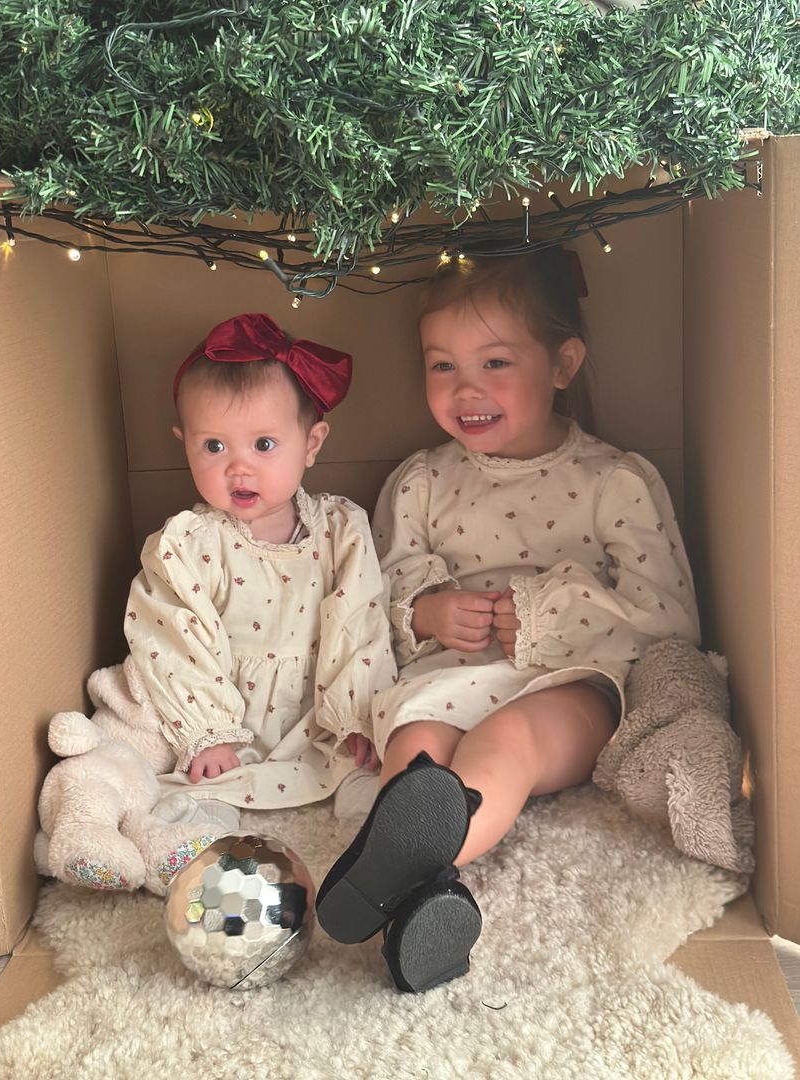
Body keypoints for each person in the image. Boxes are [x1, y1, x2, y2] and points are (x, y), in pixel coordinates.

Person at [316, 248, 700, 994]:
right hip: (447, 677)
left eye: (495, 362)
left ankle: (397, 877)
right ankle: (421, 908)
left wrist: (549, 617)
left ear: (563, 364)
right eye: (442, 366)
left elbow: (667, 617)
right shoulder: (423, 481)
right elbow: (370, 599)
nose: (466, 389)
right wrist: (428, 612)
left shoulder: (613, 480)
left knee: (509, 741)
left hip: (567, 684)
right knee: (417, 749)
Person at [124, 312, 396, 859]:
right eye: (214, 447)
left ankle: (382, 856)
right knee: (197, 793)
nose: (239, 468)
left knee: (372, 778)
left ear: (311, 443)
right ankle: (194, 853)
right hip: (230, 718)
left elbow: (360, 622)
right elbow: (172, 634)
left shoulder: (341, 530)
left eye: (264, 444)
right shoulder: (189, 543)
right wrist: (208, 729)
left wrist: (355, 714)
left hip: (321, 716)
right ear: (183, 444)